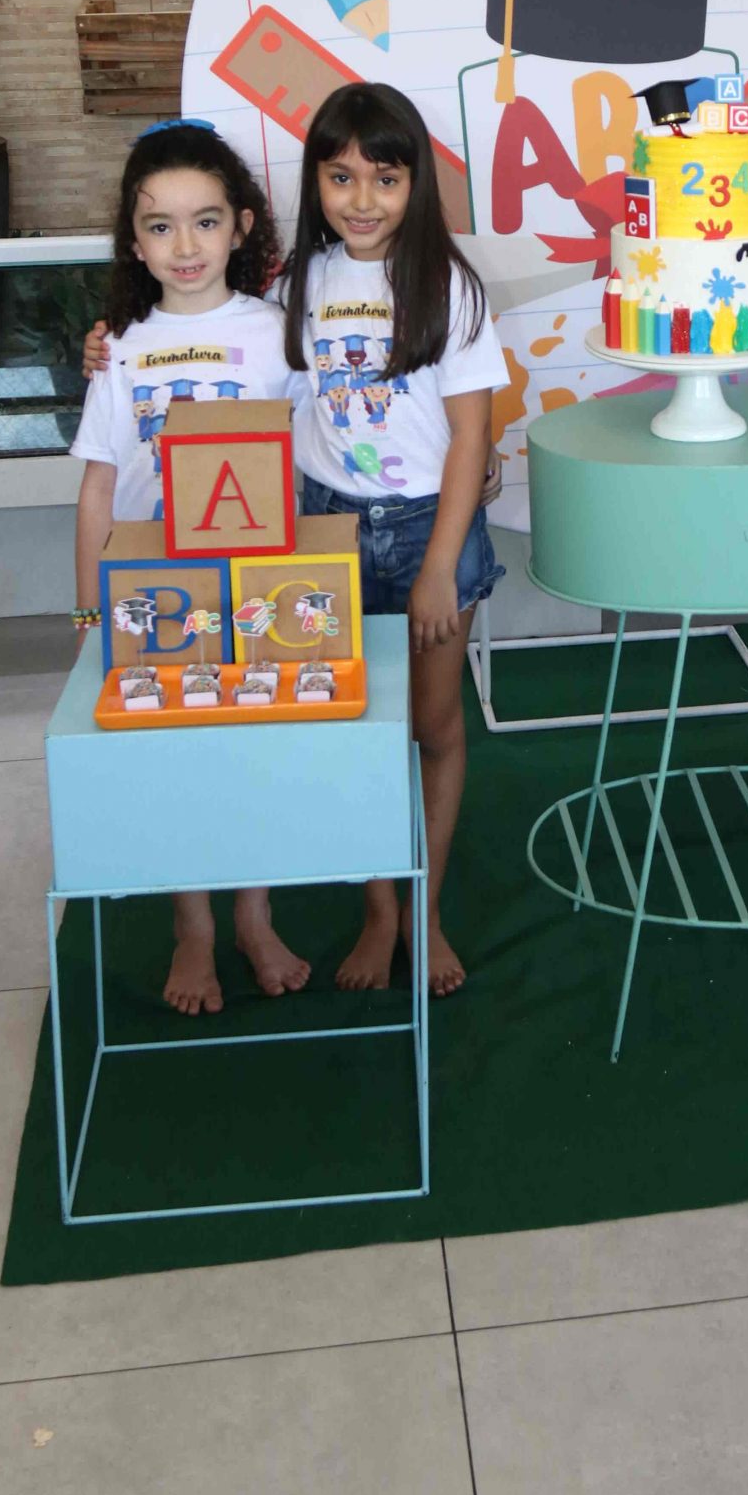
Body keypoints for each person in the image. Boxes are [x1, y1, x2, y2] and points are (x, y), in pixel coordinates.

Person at [281, 82, 507, 998]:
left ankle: (426, 907)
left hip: (427, 530)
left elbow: (471, 437)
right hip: (326, 526)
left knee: (430, 727)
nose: (362, 199)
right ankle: (381, 907)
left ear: (416, 183)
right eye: (341, 177)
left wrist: (439, 567)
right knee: (356, 726)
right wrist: (109, 349)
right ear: (316, 183)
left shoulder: (450, 286)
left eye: (384, 177)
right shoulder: (297, 283)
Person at [71, 119, 301, 1018]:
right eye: (160, 225)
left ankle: (254, 915)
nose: (185, 245)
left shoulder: (278, 333)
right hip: (153, 592)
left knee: (254, 748)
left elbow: (320, 454)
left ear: (241, 226)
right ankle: (193, 926)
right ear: (134, 242)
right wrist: (88, 616)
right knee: (174, 754)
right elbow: (99, 486)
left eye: (205, 221)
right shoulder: (120, 346)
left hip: (255, 585)